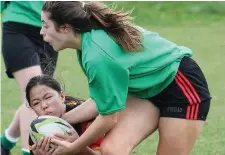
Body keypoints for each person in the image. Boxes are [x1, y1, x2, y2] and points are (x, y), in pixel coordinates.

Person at [40, 1, 211, 155]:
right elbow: (103, 102)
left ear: (65, 27)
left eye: (45, 25)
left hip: (181, 87)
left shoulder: (98, 56)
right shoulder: (86, 44)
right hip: (146, 91)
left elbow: (109, 117)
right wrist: (61, 120)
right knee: (112, 150)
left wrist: (74, 147)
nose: (41, 32)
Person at [1, 2, 58, 155]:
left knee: (37, 97)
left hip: (51, 31)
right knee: (35, 92)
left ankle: (5, 143)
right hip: (18, 26)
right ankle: (29, 152)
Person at [25, 75, 103, 155]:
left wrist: (79, 146)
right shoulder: (37, 131)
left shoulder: (89, 119)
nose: (44, 105)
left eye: (48, 97)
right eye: (36, 103)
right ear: (32, 109)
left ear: (62, 97)